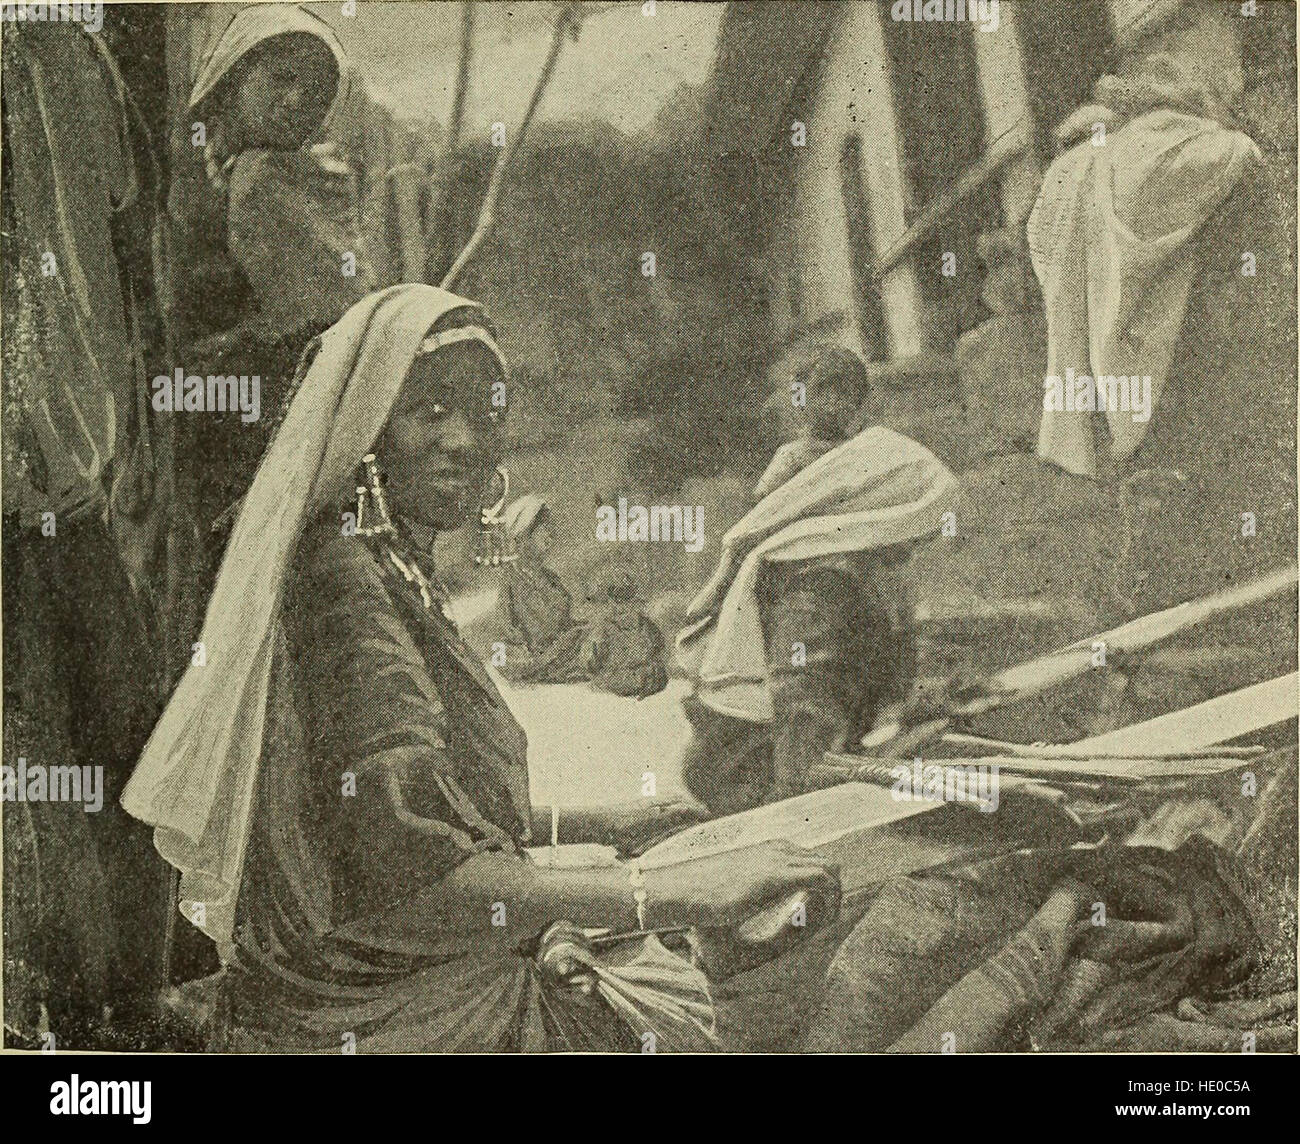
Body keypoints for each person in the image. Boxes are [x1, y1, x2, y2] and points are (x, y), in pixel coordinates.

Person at [122, 285, 837, 1052]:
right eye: (430, 411)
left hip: (394, 971)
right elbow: (410, 874)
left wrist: (591, 823)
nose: (464, 440)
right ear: (368, 429)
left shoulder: (386, 564)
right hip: (378, 1006)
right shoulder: (342, 584)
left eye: (484, 415)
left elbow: (405, 807)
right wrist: (676, 891)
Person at [677, 350, 959, 815]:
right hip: (801, 585)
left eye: (845, 394)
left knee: (863, 672)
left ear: (859, 402)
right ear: (803, 400)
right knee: (804, 683)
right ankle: (800, 783)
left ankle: (842, 759)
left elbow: (894, 509)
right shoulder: (794, 457)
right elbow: (770, 510)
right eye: (823, 392)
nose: (834, 404)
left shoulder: (872, 455)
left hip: (858, 582)